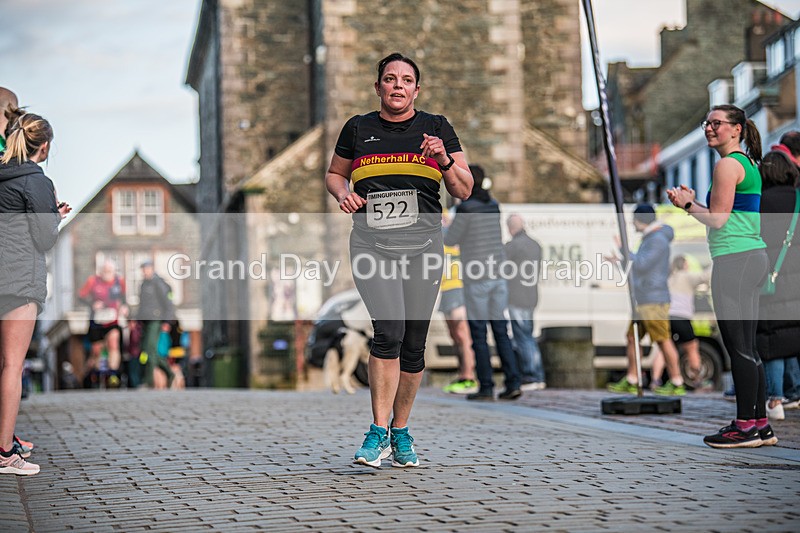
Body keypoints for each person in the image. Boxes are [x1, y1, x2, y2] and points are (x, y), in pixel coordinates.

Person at [325, 52, 472, 468]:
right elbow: (335, 174)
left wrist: (443, 158)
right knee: (387, 331)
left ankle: (400, 432)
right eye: (390, 79)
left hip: (423, 247)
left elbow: (463, 189)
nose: (398, 86)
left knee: (414, 344)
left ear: (416, 90)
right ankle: (376, 432)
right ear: (378, 88)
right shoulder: (358, 128)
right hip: (372, 245)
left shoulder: (436, 128)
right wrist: (343, 194)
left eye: (406, 80)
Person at [668, 104, 772, 448]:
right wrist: (692, 203)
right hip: (752, 257)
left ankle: (744, 427)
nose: (710, 129)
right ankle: (759, 424)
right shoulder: (747, 163)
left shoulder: (728, 165)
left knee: (739, 347)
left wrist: (686, 205)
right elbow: (723, 213)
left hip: (735, 260)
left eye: (717, 123)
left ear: (736, 129)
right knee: (749, 347)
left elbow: (718, 220)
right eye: (707, 123)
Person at [0, 111, 70, 475]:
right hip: (18, 281)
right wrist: (55, 215)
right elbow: (43, 238)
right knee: (13, 365)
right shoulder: (35, 180)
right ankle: (4, 452)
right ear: (43, 146)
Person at [445, 165, 522, 402]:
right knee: (501, 331)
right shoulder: (493, 205)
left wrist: (448, 223)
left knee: (478, 333)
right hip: (499, 276)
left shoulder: (466, 209)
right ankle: (512, 383)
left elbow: (451, 240)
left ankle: (486, 387)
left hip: (477, 278)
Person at [607, 204, 686, 396]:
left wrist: (622, 249)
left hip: (653, 299)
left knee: (662, 340)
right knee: (632, 337)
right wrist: (620, 262)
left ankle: (677, 381)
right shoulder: (652, 238)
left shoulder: (657, 239)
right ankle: (633, 378)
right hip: (644, 298)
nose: (632, 224)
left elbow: (641, 264)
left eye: (634, 219)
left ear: (640, 219)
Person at [756, 149, 800, 421]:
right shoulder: (798, 198)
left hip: (772, 276)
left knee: (772, 338)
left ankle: (775, 401)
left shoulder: (761, 201)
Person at [649, 255, 711, 391]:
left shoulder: (669, 279)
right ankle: (698, 380)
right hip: (682, 318)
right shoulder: (686, 276)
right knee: (692, 348)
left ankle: (655, 380)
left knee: (664, 349)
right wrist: (715, 262)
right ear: (684, 265)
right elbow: (705, 276)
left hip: (667, 318)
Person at [504, 214, 546, 390]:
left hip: (516, 296)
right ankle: (537, 376)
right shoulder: (535, 244)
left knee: (523, 339)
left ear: (510, 228)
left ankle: (532, 376)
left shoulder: (512, 246)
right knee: (528, 336)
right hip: (531, 296)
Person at [440, 210, 477, 394]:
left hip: (458, 288)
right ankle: (463, 374)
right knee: (454, 335)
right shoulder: (437, 236)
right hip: (445, 290)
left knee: (463, 335)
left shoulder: (459, 236)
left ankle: (469, 377)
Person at [78, 260, 128, 388]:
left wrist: (124, 307)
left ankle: (113, 375)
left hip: (113, 319)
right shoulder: (93, 281)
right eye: (105, 271)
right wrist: (92, 304)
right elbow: (81, 296)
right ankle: (96, 376)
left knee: (113, 344)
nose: (108, 274)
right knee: (96, 350)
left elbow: (124, 298)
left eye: (110, 271)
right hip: (97, 320)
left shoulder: (119, 282)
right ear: (101, 272)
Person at [135, 259, 176, 389]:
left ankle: (149, 381)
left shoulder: (159, 283)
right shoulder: (143, 285)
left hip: (156, 320)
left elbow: (168, 303)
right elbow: (142, 306)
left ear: (151, 268)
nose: (144, 271)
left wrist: (167, 321)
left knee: (151, 350)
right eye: (143, 269)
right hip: (145, 322)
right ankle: (169, 373)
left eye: (146, 268)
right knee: (147, 351)